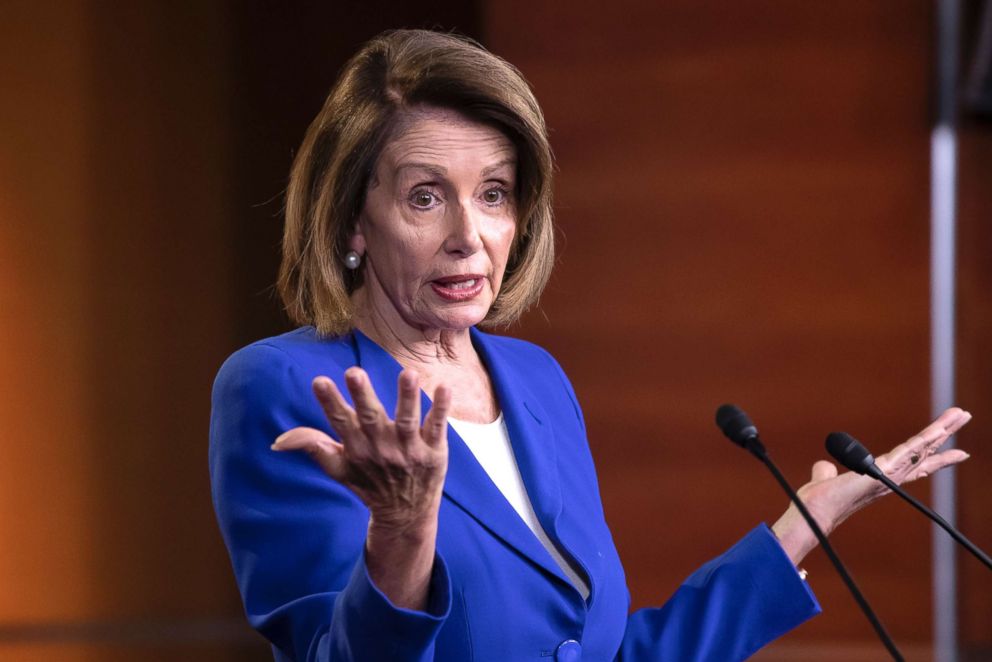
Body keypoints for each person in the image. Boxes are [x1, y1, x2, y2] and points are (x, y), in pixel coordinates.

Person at [209, 29, 972, 662]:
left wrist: (801, 529)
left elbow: (605, 653)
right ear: (351, 220)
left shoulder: (535, 381)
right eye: (425, 196)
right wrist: (404, 531)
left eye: (495, 194)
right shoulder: (286, 386)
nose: (468, 238)